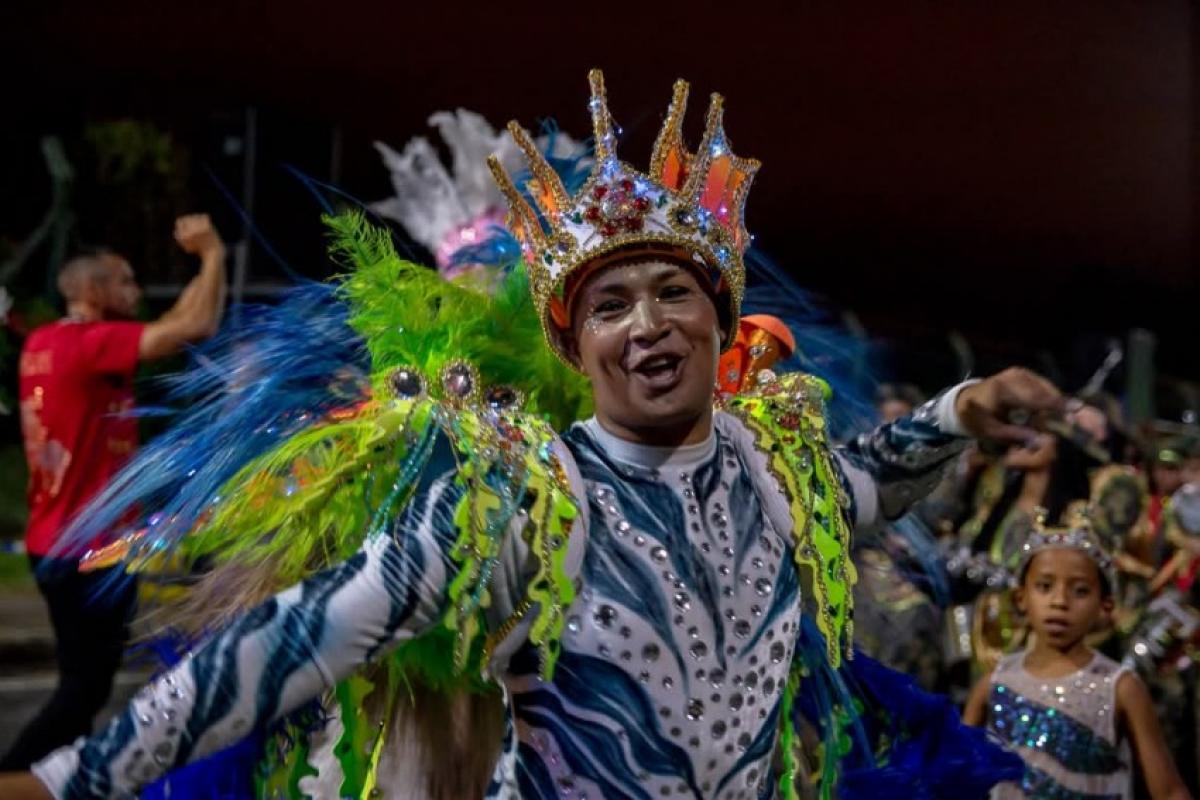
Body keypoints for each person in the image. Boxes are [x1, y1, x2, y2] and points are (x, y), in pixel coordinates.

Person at [1, 72, 1053, 800]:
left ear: (719, 320)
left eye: (672, 292)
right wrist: (71, 776)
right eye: (610, 305)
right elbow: (299, 633)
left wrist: (960, 407)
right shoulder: (525, 498)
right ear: (573, 344)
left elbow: (870, 477)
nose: (646, 322)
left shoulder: (779, 476)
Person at [1, 214, 226, 770]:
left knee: (86, 689)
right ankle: (16, 779)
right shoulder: (89, 346)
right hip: (88, 552)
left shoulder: (49, 342)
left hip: (54, 542)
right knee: (82, 691)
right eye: (125, 280)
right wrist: (215, 253)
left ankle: (45, 780)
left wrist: (204, 268)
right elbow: (194, 325)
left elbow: (182, 319)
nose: (136, 290)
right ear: (94, 291)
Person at [963, 514, 1191, 799]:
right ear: (1021, 597)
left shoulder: (1119, 688)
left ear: (1105, 605)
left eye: (1080, 591)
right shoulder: (994, 684)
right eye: (1045, 587)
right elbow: (955, 777)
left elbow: (1168, 791)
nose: (1059, 602)